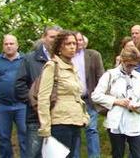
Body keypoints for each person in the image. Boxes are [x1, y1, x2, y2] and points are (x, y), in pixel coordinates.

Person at [37, 30, 89, 158]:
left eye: (74, 43)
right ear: (60, 46)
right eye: (68, 44)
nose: (72, 47)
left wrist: (84, 115)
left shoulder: (72, 67)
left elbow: (77, 96)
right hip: (59, 122)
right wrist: (45, 127)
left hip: (75, 121)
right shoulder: (52, 66)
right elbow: (43, 98)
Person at [92, 46, 140, 158]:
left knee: (138, 154)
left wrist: (138, 107)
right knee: (117, 153)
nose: (131, 68)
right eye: (129, 65)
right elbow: (96, 96)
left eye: (134, 65)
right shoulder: (110, 75)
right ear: (122, 61)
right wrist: (116, 101)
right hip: (116, 121)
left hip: (134, 121)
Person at [16, 25, 61, 158]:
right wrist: (34, 103)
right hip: (36, 118)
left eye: (58, 37)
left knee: (59, 154)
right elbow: (19, 85)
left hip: (60, 117)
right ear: (44, 38)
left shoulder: (65, 59)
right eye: (52, 37)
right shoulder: (29, 59)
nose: (54, 40)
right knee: (35, 154)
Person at [0, 34, 27, 158]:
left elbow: (33, 80)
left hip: (22, 105)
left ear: (17, 45)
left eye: (11, 43)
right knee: (3, 137)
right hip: (1, 105)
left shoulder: (26, 60)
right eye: (6, 44)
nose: (9, 46)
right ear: (3, 46)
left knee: (25, 135)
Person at [72, 32, 104, 158]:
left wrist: (98, 95)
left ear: (84, 42)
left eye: (80, 40)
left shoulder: (93, 55)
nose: (78, 43)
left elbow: (101, 77)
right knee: (75, 132)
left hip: (89, 99)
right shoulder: (65, 57)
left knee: (92, 129)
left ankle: (94, 156)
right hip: (73, 101)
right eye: (75, 40)